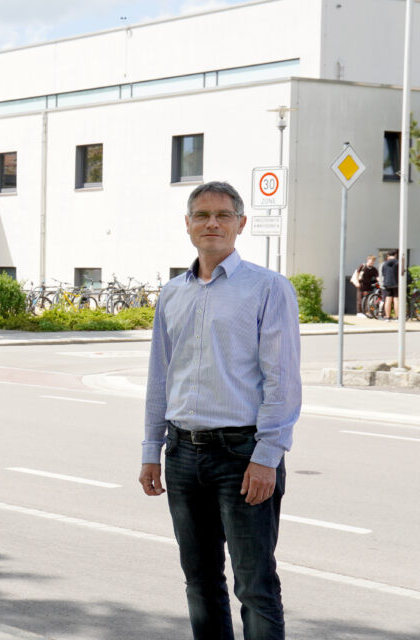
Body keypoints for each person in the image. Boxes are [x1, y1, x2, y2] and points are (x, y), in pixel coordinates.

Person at [141, 181, 300, 640]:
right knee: (201, 582)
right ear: (188, 225)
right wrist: (152, 449)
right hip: (183, 454)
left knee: (255, 586)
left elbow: (283, 379)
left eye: (224, 215)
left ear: (240, 224)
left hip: (242, 454)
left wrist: (267, 456)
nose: (213, 223)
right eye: (203, 214)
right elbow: (160, 378)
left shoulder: (268, 288)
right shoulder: (172, 293)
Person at [382, 250, 400, 320]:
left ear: (388, 255)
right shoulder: (398, 262)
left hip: (387, 283)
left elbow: (383, 273)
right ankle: (398, 316)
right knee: (396, 299)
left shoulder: (385, 263)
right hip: (396, 283)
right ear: (395, 255)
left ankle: (387, 316)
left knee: (388, 299)